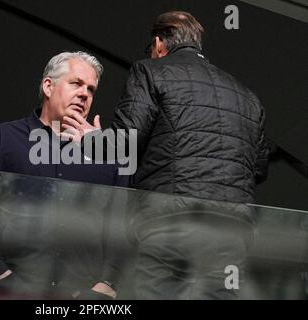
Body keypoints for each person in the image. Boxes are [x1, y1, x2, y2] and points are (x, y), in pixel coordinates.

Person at [64, 11, 269, 299]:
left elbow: (125, 142)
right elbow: (258, 168)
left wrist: (91, 139)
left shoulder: (150, 71)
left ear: (159, 43)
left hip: (169, 225)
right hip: (230, 232)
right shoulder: (247, 96)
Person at [0, 51, 130, 299]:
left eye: (91, 89)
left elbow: (122, 225)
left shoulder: (108, 150)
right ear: (48, 86)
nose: (84, 94)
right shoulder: (5, 138)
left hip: (85, 297)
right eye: (76, 84)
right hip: (12, 291)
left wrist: (106, 285)